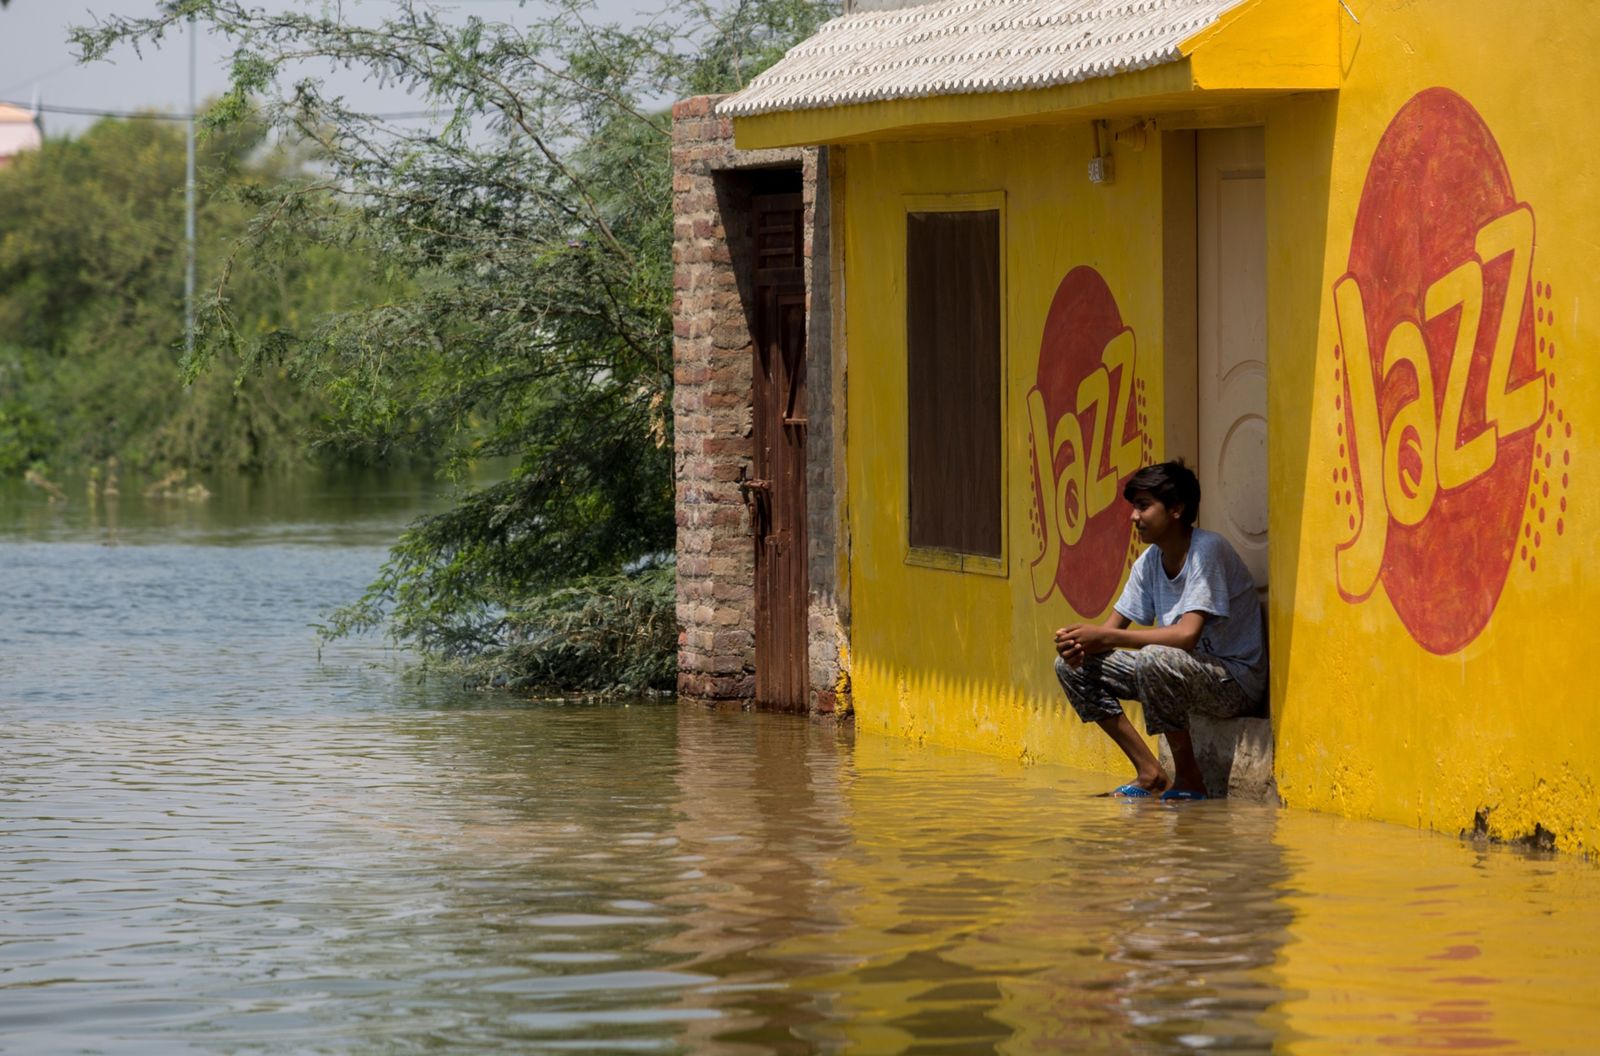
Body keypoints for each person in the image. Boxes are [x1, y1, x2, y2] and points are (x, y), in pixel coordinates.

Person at [1052, 460, 1266, 801]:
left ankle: (1190, 778)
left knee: (1155, 659)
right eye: (1133, 507)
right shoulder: (1149, 561)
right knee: (1070, 668)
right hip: (1180, 674)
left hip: (1233, 682)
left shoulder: (1207, 550)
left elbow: (1186, 635)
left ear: (1177, 509)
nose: (1134, 517)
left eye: (1143, 506)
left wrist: (1104, 637)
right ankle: (1150, 773)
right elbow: (1110, 632)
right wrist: (1079, 645)